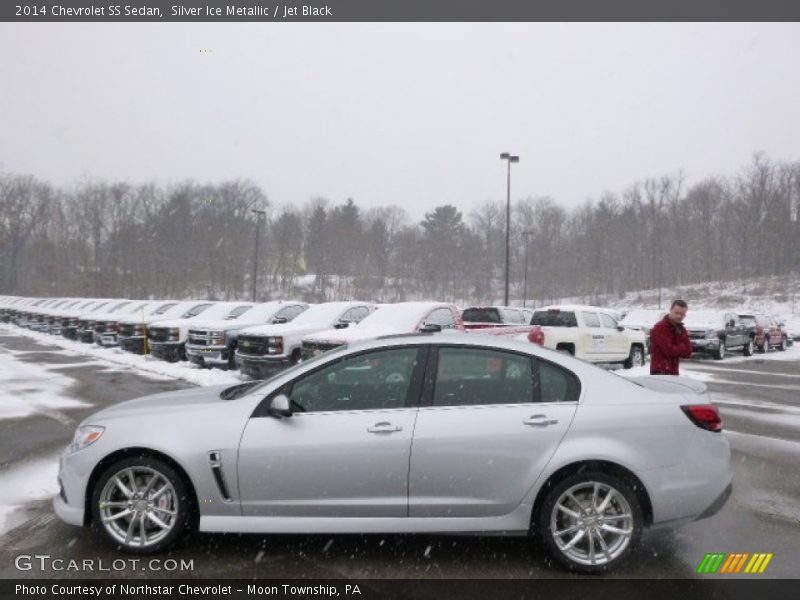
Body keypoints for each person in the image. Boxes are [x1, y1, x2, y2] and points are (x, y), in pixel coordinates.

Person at [649, 299, 692, 375]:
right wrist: (682, 347)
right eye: (676, 313)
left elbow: (688, 352)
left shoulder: (681, 329)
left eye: (682, 314)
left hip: (674, 371)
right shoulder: (660, 327)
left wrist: (677, 348)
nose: (679, 316)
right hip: (660, 372)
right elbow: (669, 351)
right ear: (670, 310)